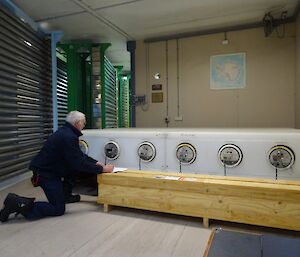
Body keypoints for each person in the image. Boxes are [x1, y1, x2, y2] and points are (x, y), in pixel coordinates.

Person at [0, 111, 114, 222]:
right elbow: (78, 163)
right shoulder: (68, 137)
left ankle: (65, 196)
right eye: (84, 123)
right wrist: (101, 169)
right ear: (78, 123)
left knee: (72, 170)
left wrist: (95, 163)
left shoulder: (66, 132)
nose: (84, 125)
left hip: (51, 170)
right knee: (58, 208)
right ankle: (18, 204)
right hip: (46, 174)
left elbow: (78, 155)